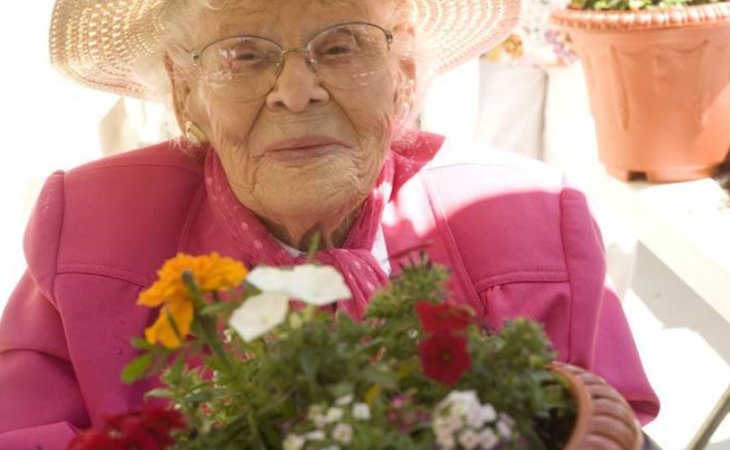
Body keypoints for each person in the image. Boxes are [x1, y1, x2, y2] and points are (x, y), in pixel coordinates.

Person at [0, 0, 660, 448]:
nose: (296, 90)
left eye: (339, 46)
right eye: (244, 55)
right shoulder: (88, 224)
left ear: (402, 71)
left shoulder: (534, 219)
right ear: (184, 90)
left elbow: (613, 425)